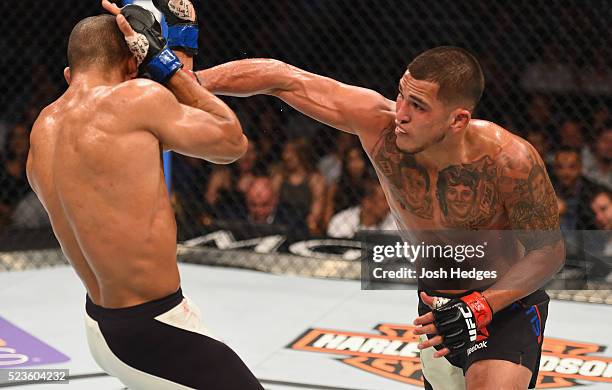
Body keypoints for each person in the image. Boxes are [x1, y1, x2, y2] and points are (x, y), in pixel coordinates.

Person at [196, 46, 564, 389]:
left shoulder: (509, 160)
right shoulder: (380, 128)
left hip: (503, 306)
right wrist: (185, 82)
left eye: (419, 106)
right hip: (435, 304)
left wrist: (483, 306)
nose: (401, 113)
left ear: (458, 120)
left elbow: (549, 252)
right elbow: (281, 78)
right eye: (402, 94)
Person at [27, 2, 263, 389]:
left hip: (99, 324)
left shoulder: (42, 129)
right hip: (153, 330)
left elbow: (119, 162)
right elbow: (231, 141)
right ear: (133, 68)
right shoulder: (135, 102)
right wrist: (166, 64)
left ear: (70, 73)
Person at [327, 179, 395, 238]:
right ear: (367, 201)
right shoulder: (341, 220)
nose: (389, 205)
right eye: (384, 199)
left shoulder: (395, 223)